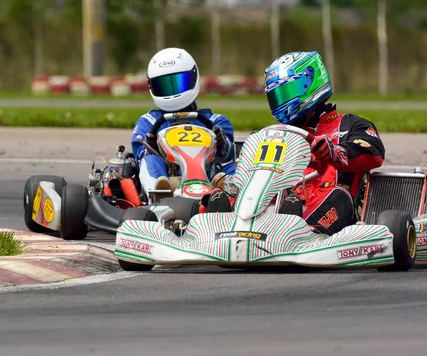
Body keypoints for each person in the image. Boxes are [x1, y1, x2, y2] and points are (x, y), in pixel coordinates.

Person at [263, 50, 386, 235]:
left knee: (338, 196)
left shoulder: (350, 124)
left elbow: (373, 153)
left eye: (286, 92)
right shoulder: (276, 134)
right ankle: (220, 220)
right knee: (238, 194)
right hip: (286, 202)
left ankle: (302, 233)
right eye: (276, 96)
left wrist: (336, 153)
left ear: (309, 83)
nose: (281, 101)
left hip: (334, 207)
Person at [131, 47, 237, 203]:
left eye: (179, 83)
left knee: (234, 166)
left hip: (208, 179)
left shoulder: (216, 121)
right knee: (149, 160)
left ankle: (224, 191)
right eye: (164, 86)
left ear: (194, 78)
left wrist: (223, 145)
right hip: (169, 180)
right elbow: (138, 153)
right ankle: (160, 191)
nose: (172, 92)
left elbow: (229, 154)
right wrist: (150, 148)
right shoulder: (149, 121)